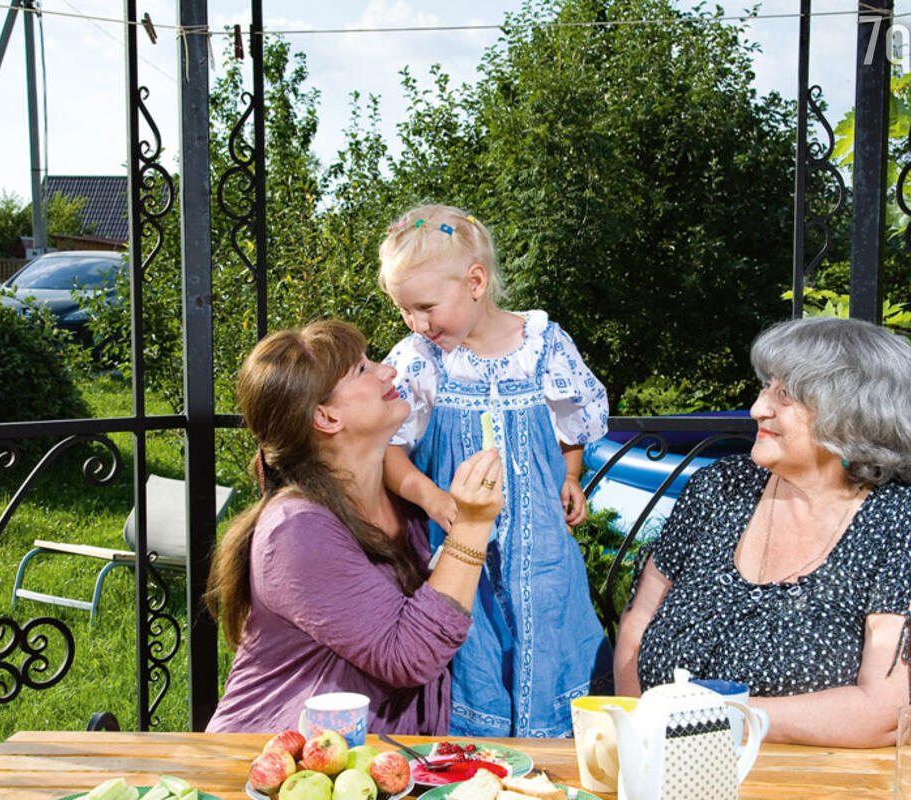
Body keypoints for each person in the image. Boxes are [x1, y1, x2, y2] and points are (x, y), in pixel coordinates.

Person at [614, 316, 911, 747]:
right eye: (768, 386)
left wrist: (707, 721)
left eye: (786, 394)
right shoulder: (720, 488)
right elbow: (639, 621)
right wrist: (644, 745)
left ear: (853, 411)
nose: (758, 408)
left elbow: (895, 712)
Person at [377, 204, 612, 738]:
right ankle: (476, 762)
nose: (417, 323)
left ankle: (551, 761)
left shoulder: (542, 343)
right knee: (472, 644)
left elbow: (569, 419)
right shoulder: (421, 360)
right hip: (457, 549)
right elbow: (390, 451)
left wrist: (571, 475)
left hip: (541, 549)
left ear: (476, 282)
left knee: (548, 625)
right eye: (405, 311)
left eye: (426, 307)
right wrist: (433, 498)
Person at [204, 320, 503, 734]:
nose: (389, 371)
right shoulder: (296, 531)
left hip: (370, 767)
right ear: (325, 417)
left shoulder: (408, 500)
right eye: (362, 370)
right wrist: (472, 526)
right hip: (278, 768)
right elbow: (409, 654)